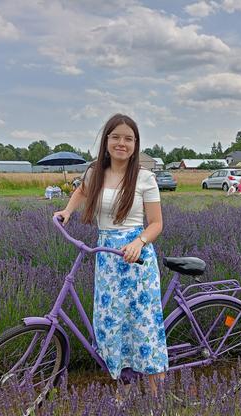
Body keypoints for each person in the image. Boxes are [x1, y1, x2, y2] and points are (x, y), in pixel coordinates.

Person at [54, 114, 168, 396]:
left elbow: (156, 224)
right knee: (112, 326)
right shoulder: (95, 172)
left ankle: (159, 404)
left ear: (136, 145)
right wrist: (67, 211)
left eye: (129, 139)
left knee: (144, 329)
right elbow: (81, 191)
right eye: (116, 137)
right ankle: (126, 387)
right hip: (107, 258)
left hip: (136, 261)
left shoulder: (144, 178)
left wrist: (139, 242)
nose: (122, 143)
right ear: (106, 141)